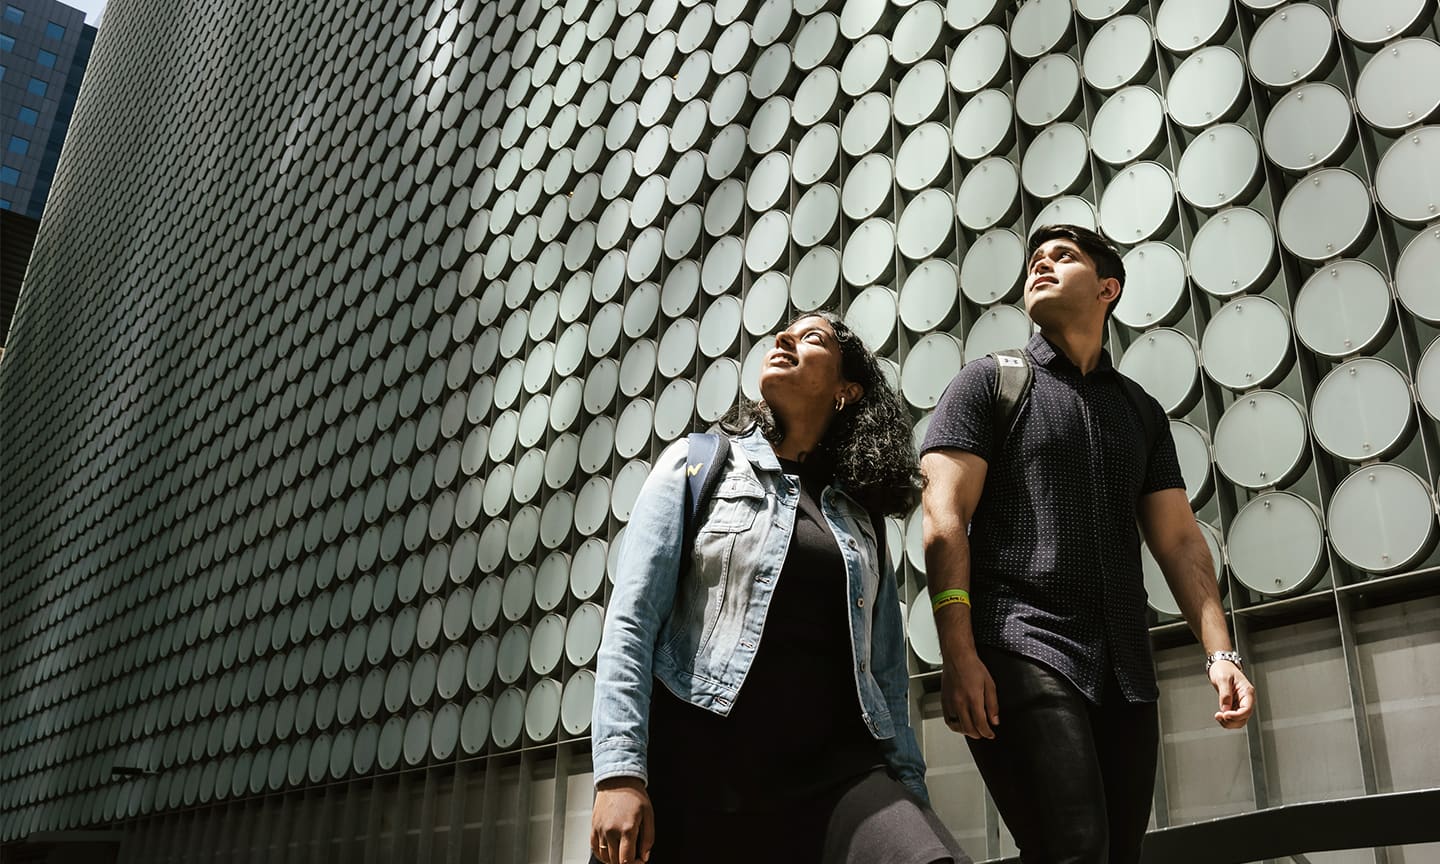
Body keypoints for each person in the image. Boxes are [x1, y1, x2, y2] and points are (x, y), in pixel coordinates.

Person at [919, 225, 1257, 864]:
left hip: (1125, 667)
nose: (1041, 265)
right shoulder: (987, 383)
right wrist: (957, 654)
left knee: (1116, 854)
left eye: (1063, 256)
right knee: (1076, 847)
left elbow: (1180, 542)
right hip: (1019, 642)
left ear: (1108, 289)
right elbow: (943, 520)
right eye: (1035, 259)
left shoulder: (1140, 410)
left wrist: (1221, 654)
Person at [590, 311, 970, 864]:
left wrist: (910, 789)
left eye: (812, 337)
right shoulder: (697, 464)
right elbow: (632, 620)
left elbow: (886, 673)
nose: (785, 337)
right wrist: (620, 772)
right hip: (703, 768)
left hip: (836, 774)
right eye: (785, 332)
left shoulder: (861, 518)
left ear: (846, 390)